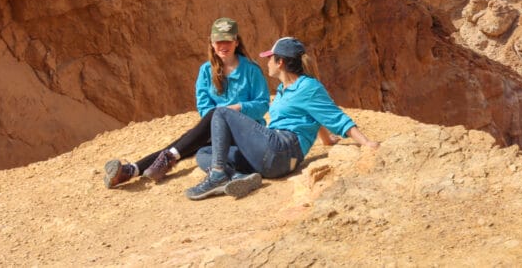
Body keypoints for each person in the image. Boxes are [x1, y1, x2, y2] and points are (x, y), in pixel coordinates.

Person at [186, 36, 379, 200]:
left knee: (221, 112)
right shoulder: (283, 89)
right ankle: (237, 177)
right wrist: (326, 140)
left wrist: (367, 143)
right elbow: (314, 114)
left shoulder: (308, 87)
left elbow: (336, 117)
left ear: (280, 63)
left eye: (270, 58)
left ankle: (218, 175)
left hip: (282, 148)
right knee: (204, 153)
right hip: (271, 160)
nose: (267, 62)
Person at [103, 17, 270, 188]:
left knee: (201, 130)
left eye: (227, 40)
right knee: (193, 138)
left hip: (245, 132)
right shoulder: (206, 71)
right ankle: (132, 170)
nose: (223, 46)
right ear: (212, 43)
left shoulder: (251, 69)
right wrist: (219, 122)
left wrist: (235, 109)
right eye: (218, 41)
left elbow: (263, 104)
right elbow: (204, 107)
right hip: (216, 130)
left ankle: (135, 168)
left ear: (236, 41)